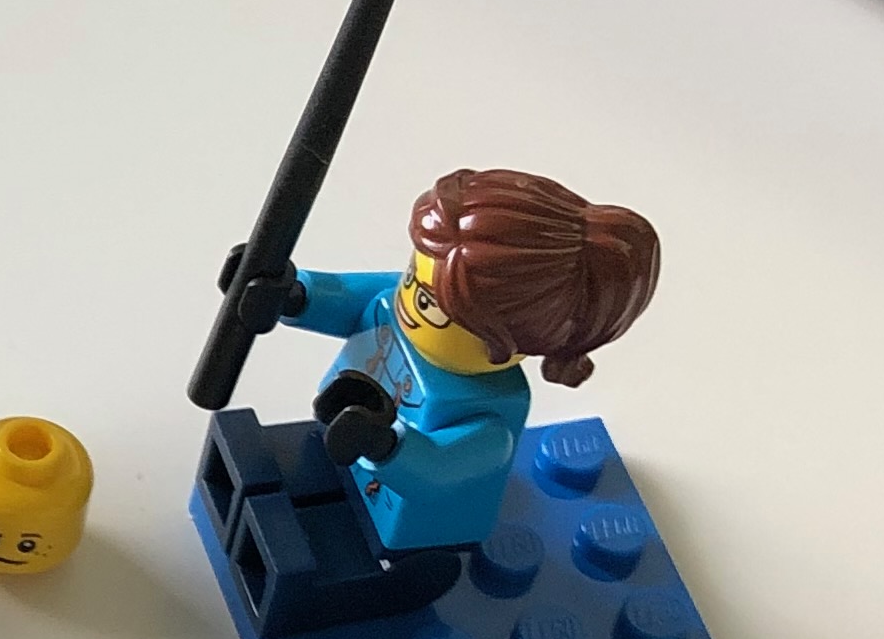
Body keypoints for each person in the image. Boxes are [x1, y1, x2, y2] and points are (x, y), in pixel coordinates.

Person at [280, 169, 660, 557]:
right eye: (412, 278)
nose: (409, 302)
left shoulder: (489, 415)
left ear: (511, 340)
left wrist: (381, 443)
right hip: (331, 447)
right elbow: (343, 296)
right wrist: (293, 296)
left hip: (404, 531)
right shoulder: (392, 305)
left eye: (431, 304)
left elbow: (440, 466)